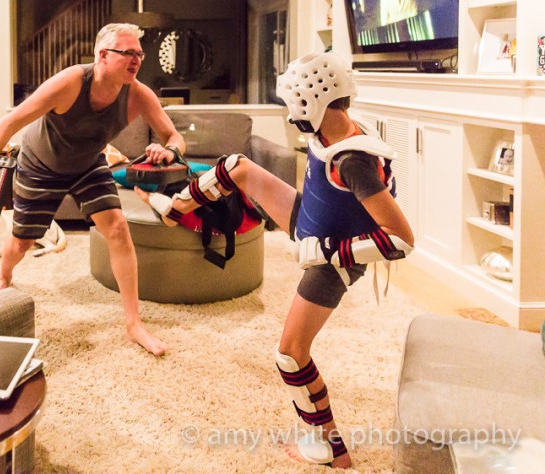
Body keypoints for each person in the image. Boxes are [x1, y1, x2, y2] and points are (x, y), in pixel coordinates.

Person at [135, 51, 414, 467]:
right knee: (237, 167)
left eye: (293, 103)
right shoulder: (333, 134)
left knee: (291, 354)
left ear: (313, 100)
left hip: (334, 257)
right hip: (311, 221)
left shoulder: (353, 160)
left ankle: (331, 448)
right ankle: (176, 209)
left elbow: (400, 240)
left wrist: (328, 252)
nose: (290, 114)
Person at [0, 23, 186, 356]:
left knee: (118, 229)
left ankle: (133, 323)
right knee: (22, 242)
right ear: (103, 55)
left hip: (88, 164)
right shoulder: (71, 82)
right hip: (40, 164)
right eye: (128, 53)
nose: (136, 60)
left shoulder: (138, 94)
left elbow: (173, 136)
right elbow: (10, 121)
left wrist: (170, 151)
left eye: (139, 54)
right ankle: (3, 278)